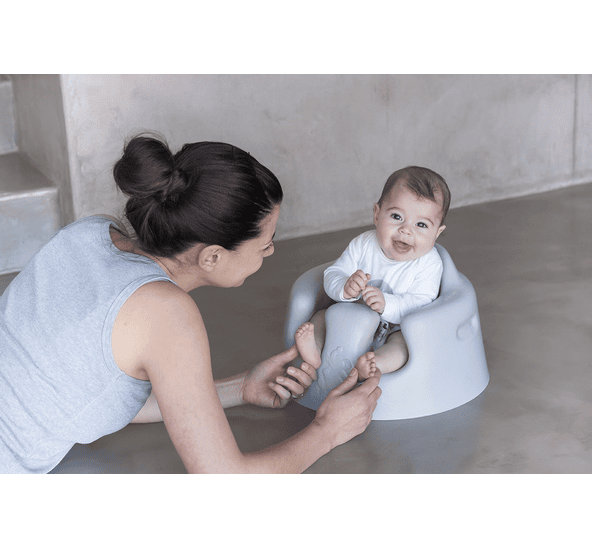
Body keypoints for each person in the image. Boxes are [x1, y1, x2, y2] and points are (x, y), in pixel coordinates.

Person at [0, 134, 382, 474]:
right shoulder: (167, 313)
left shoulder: (89, 232)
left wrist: (240, 387)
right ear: (213, 257)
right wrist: (327, 430)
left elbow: (85, 390)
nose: (270, 251)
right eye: (265, 242)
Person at [294, 166, 450, 380]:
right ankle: (315, 352)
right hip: (346, 321)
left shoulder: (429, 263)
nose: (406, 230)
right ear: (377, 214)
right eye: (397, 216)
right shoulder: (364, 244)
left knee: (403, 347)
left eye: (421, 224)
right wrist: (344, 286)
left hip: (393, 329)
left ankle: (375, 364)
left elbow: (422, 304)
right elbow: (334, 272)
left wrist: (387, 304)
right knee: (320, 317)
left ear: (437, 232)